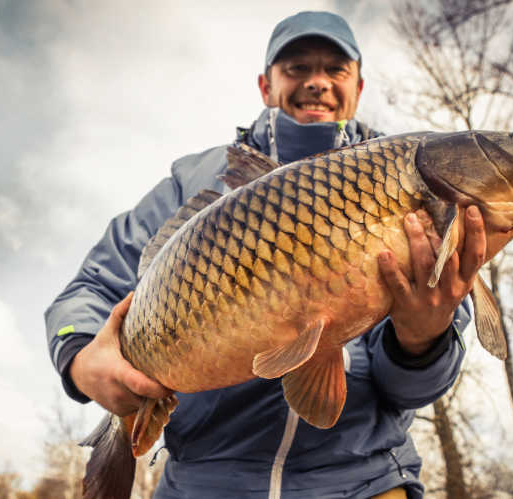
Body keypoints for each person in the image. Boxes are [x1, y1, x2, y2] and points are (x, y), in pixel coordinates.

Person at [45, 11, 485, 499]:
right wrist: (82, 357)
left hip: (366, 482)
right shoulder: (194, 180)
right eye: (296, 68)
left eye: (335, 69)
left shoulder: (411, 183)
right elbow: (88, 289)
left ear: (358, 87)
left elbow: (412, 391)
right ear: (265, 84)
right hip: (202, 484)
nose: (317, 82)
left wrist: (422, 341)